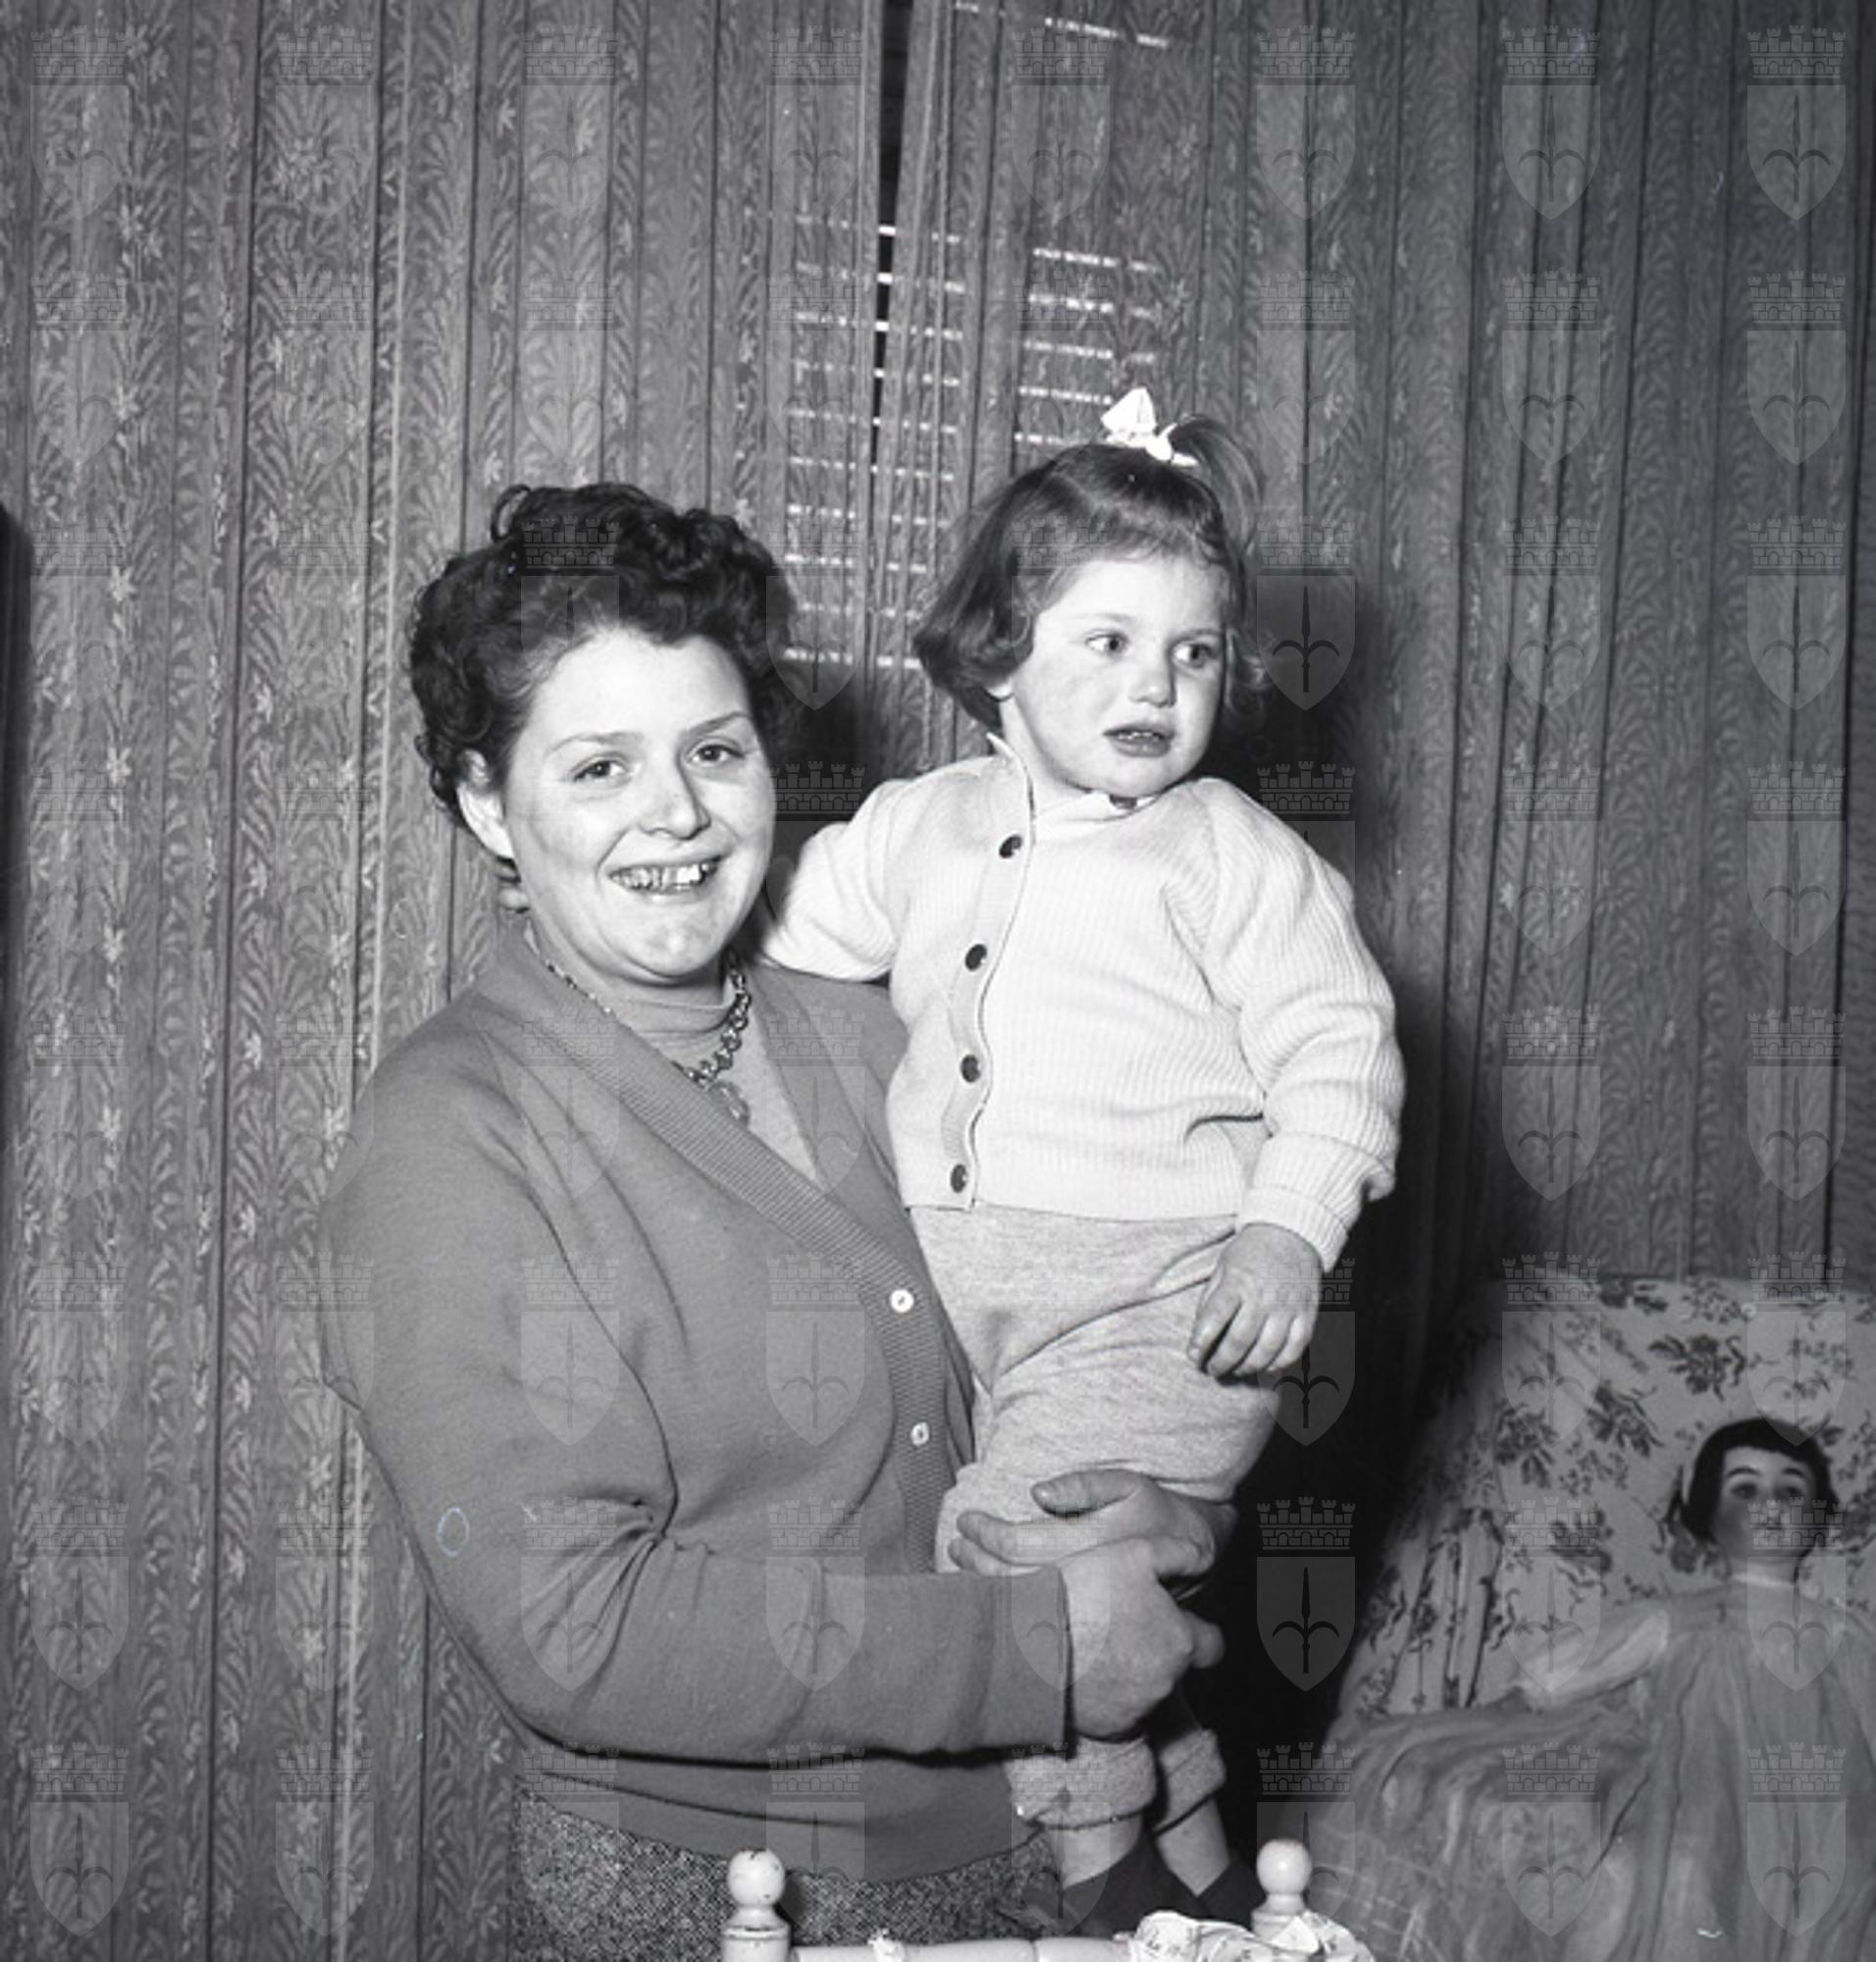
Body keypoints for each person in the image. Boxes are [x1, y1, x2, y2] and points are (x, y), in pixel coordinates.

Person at [317, 482, 1232, 1962]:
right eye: (599, 766)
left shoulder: (892, 1031)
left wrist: (1175, 1515)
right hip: (719, 1896)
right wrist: (1036, 1648)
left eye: (715, 750)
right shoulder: (447, 1134)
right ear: (486, 799)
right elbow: (573, 1624)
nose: (676, 813)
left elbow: (1095, 1324)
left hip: (1066, 1849)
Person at [758, 389, 1406, 1922]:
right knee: (1074, 1576)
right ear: (996, 653)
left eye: (1194, 653)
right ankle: (1197, 1841)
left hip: (1167, 1306)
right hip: (986, 1315)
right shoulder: (920, 825)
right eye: (1109, 642)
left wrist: (1286, 1231)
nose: (1157, 685)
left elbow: (1340, 1048)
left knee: (1010, 1564)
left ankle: (1102, 1879)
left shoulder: (1231, 851)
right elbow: (778, 923)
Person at [1307, 1419, 1876, 1960]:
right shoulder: (1681, 1620)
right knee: (1675, 1877)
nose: (1770, 1506)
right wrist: (1525, 1702)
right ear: (1707, 1509)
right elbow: (1557, 1675)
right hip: (1697, 1799)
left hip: (1818, 1809)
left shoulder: (1844, 1634)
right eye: (1745, 1489)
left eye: (1791, 1490)